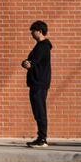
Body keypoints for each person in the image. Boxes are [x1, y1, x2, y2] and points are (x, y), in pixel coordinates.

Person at [22, 20, 52, 148]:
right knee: (38, 111)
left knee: (40, 111)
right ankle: (41, 137)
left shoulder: (43, 46)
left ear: (39, 31)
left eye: (33, 31)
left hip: (39, 83)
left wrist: (27, 63)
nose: (31, 34)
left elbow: (32, 62)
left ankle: (42, 139)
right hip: (38, 83)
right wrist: (25, 62)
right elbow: (30, 62)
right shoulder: (41, 46)